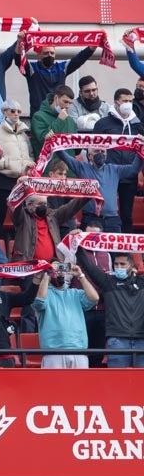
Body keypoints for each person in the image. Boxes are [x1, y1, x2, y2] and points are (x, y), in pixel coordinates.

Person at [77, 245, 144, 367]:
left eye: (123, 264)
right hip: (117, 340)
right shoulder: (108, 282)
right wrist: (77, 245)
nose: (118, 267)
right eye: (116, 264)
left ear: (132, 266)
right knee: (116, 382)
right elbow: (89, 266)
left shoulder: (142, 282)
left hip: (141, 340)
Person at [56, 144, 143, 231]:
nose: (100, 153)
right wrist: (53, 141)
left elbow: (134, 169)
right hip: (91, 220)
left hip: (112, 221)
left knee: (113, 245)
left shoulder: (115, 169)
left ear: (106, 154)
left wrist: (141, 148)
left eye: (103, 151)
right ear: (89, 156)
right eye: (97, 151)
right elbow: (64, 156)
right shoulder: (82, 167)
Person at [93, 89, 144, 232]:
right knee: (105, 211)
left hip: (129, 174)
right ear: (116, 102)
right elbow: (92, 146)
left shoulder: (137, 125)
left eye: (130, 101)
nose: (128, 104)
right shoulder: (103, 124)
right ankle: (103, 245)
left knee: (127, 215)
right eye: (124, 101)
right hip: (108, 174)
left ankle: (125, 250)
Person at [32, 261, 98, 368]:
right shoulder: (44, 293)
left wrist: (80, 275)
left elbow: (94, 298)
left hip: (78, 350)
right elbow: (39, 301)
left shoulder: (75, 293)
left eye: (61, 269)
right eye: (55, 269)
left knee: (79, 385)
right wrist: (46, 275)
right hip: (53, 352)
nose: (59, 273)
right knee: (54, 385)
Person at [0, 100, 34, 239]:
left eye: (19, 111)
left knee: (21, 214)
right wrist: (8, 163)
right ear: (4, 112)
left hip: (20, 180)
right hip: (2, 179)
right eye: (13, 111)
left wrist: (28, 164)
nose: (16, 114)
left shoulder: (23, 134)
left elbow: (29, 154)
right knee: (0, 213)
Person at [30, 84, 76, 155]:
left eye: (70, 103)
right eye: (65, 102)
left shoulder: (70, 121)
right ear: (56, 98)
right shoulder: (39, 117)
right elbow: (43, 141)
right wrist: (60, 120)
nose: (67, 106)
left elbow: (75, 148)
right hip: (49, 164)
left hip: (67, 165)